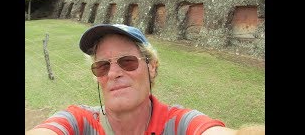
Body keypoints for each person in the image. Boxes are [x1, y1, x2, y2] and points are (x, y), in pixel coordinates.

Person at [26, 23, 265, 135]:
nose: (113, 72)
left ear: (151, 67)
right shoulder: (78, 121)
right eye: (102, 66)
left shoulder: (180, 124)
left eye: (127, 61)